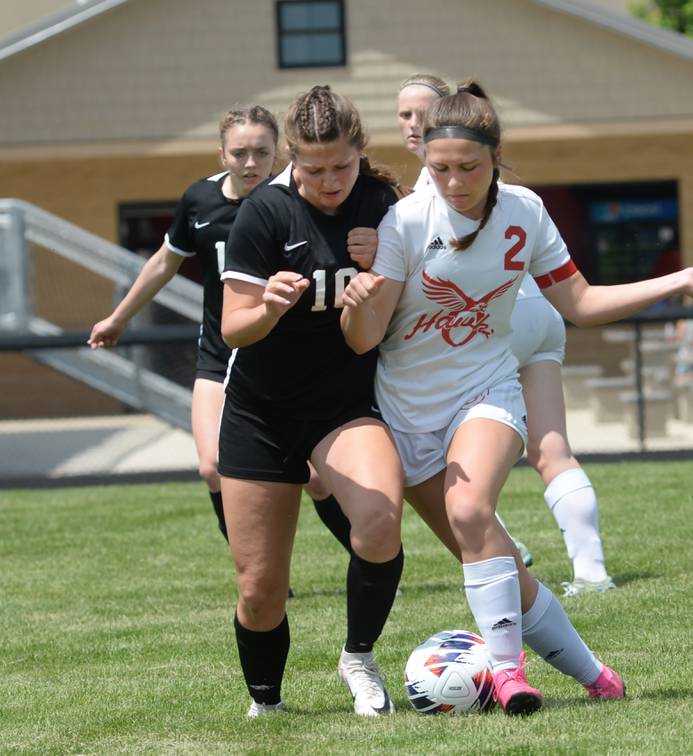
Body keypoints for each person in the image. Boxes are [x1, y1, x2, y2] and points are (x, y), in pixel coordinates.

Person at [342, 81, 693, 715]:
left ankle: (507, 672)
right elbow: (363, 342)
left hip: (486, 390)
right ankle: (596, 675)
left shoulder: (524, 211)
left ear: (496, 158)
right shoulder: (405, 220)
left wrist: (675, 282)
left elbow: (578, 302)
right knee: (499, 566)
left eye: (469, 167)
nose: (454, 181)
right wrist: (359, 303)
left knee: (470, 511)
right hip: (405, 414)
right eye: (440, 169)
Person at [87, 106, 359, 556]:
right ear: (222, 155)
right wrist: (118, 318)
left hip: (284, 362)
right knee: (212, 467)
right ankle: (254, 572)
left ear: (280, 154)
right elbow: (162, 262)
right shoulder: (200, 202)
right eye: (240, 153)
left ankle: (365, 554)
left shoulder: (296, 200)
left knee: (312, 478)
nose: (251, 162)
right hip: (220, 354)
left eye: (261, 152)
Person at [218, 85, 405, 718]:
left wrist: (380, 273)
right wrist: (267, 308)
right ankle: (266, 705)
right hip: (260, 412)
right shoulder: (265, 215)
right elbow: (233, 328)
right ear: (292, 159)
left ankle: (358, 655)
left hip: (343, 405)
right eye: (313, 169)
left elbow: (406, 302)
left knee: (379, 523)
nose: (329, 181)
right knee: (261, 590)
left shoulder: (384, 205)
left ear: (361, 153)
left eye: (342, 167)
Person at [397, 73, 611, 594]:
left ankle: (501, 548)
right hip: (541, 311)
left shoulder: (431, 192)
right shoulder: (511, 194)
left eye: (420, 113)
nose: (413, 123)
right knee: (552, 448)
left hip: (495, 320)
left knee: (451, 454)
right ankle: (592, 570)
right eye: (403, 115)